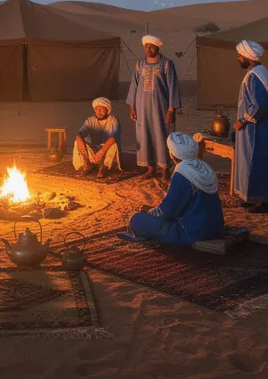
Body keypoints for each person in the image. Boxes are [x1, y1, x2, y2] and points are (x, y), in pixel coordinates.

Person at [125, 132, 224, 245]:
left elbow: (168, 212)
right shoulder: (205, 168)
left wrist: (151, 212)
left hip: (192, 231)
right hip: (216, 228)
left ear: (172, 154)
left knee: (136, 219)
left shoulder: (182, 174)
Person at [232, 40, 268, 213]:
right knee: (249, 162)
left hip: (255, 129)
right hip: (253, 129)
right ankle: (250, 197)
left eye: (240, 55)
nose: (238, 58)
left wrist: (243, 120)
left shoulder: (255, 76)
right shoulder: (258, 72)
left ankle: (262, 201)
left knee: (255, 162)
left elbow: (259, 105)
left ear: (248, 56)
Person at [126, 34, 182, 179]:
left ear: (157, 47)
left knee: (162, 136)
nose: (148, 48)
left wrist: (171, 109)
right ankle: (150, 169)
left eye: (151, 46)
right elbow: (134, 85)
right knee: (145, 135)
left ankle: (165, 170)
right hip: (142, 107)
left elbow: (173, 86)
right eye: (146, 46)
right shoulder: (139, 64)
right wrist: (132, 106)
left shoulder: (167, 64)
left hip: (161, 108)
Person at [74, 97, 122, 178]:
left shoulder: (114, 120)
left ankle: (103, 167)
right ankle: (86, 165)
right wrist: (85, 157)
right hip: (93, 151)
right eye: (97, 109)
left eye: (102, 109)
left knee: (114, 145)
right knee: (78, 141)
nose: (99, 112)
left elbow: (114, 137)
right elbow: (79, 134)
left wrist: (101, 152)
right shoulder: (90, 120)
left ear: (107, 110)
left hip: (106, 150)